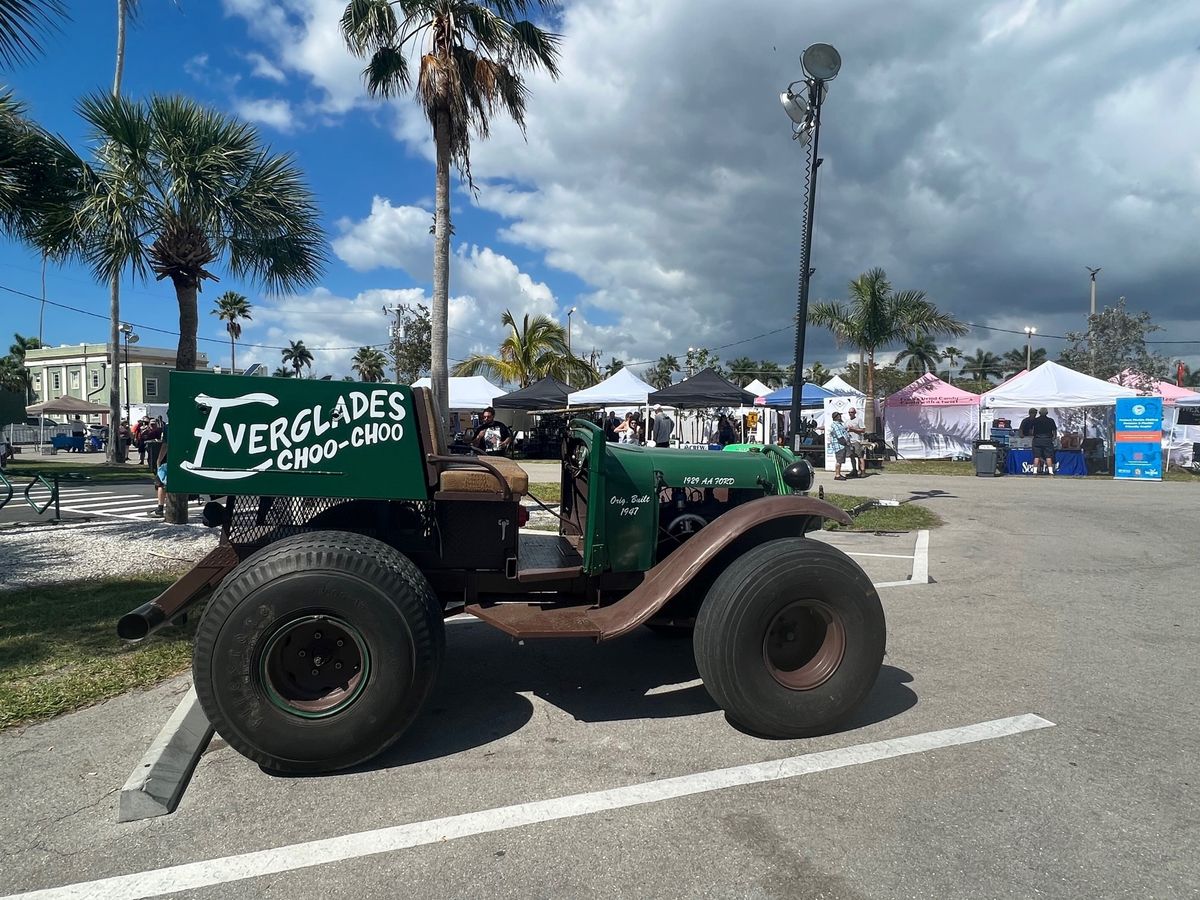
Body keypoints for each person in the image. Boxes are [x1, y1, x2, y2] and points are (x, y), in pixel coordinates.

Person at [825, 411, 851, 481]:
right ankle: (837, 475)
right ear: (837, 417)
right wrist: (846, 443)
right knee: (839, 461)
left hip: (841, 445)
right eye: (839, 415)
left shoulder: (839, 424)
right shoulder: (835, 425)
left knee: (840, 460)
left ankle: (838, 473)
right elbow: (840, 436)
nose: (840, 416)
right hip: (839, 446)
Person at [1031, 407, 1058, 476]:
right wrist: (1054, 437)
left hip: (1037, 440)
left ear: (1039, 413)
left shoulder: (1035, 420)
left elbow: (1031, 431)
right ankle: (1051, 472)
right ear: (1047, 413)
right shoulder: (1051, 420)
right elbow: (1054, 430)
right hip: (1047, 440)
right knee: (1048, 456)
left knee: (1036, 456)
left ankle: (1034, 472)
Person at [151, 425, 169, 517]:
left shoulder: (169, 426)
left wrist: (159, 460)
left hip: (170, 459)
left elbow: (166, 444)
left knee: (161, 483)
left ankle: (160, 508)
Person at [846, 407, 868, 477]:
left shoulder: (858, 420)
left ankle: (863, 471)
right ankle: (854, 470)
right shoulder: (847, 421)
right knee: (852, 456)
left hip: (857, 441)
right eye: (849, 412)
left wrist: (853, 429)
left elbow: (863, 430)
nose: (850, 414)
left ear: (855, 413)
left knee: (860, 456)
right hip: (850, 442)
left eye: (852, 412)